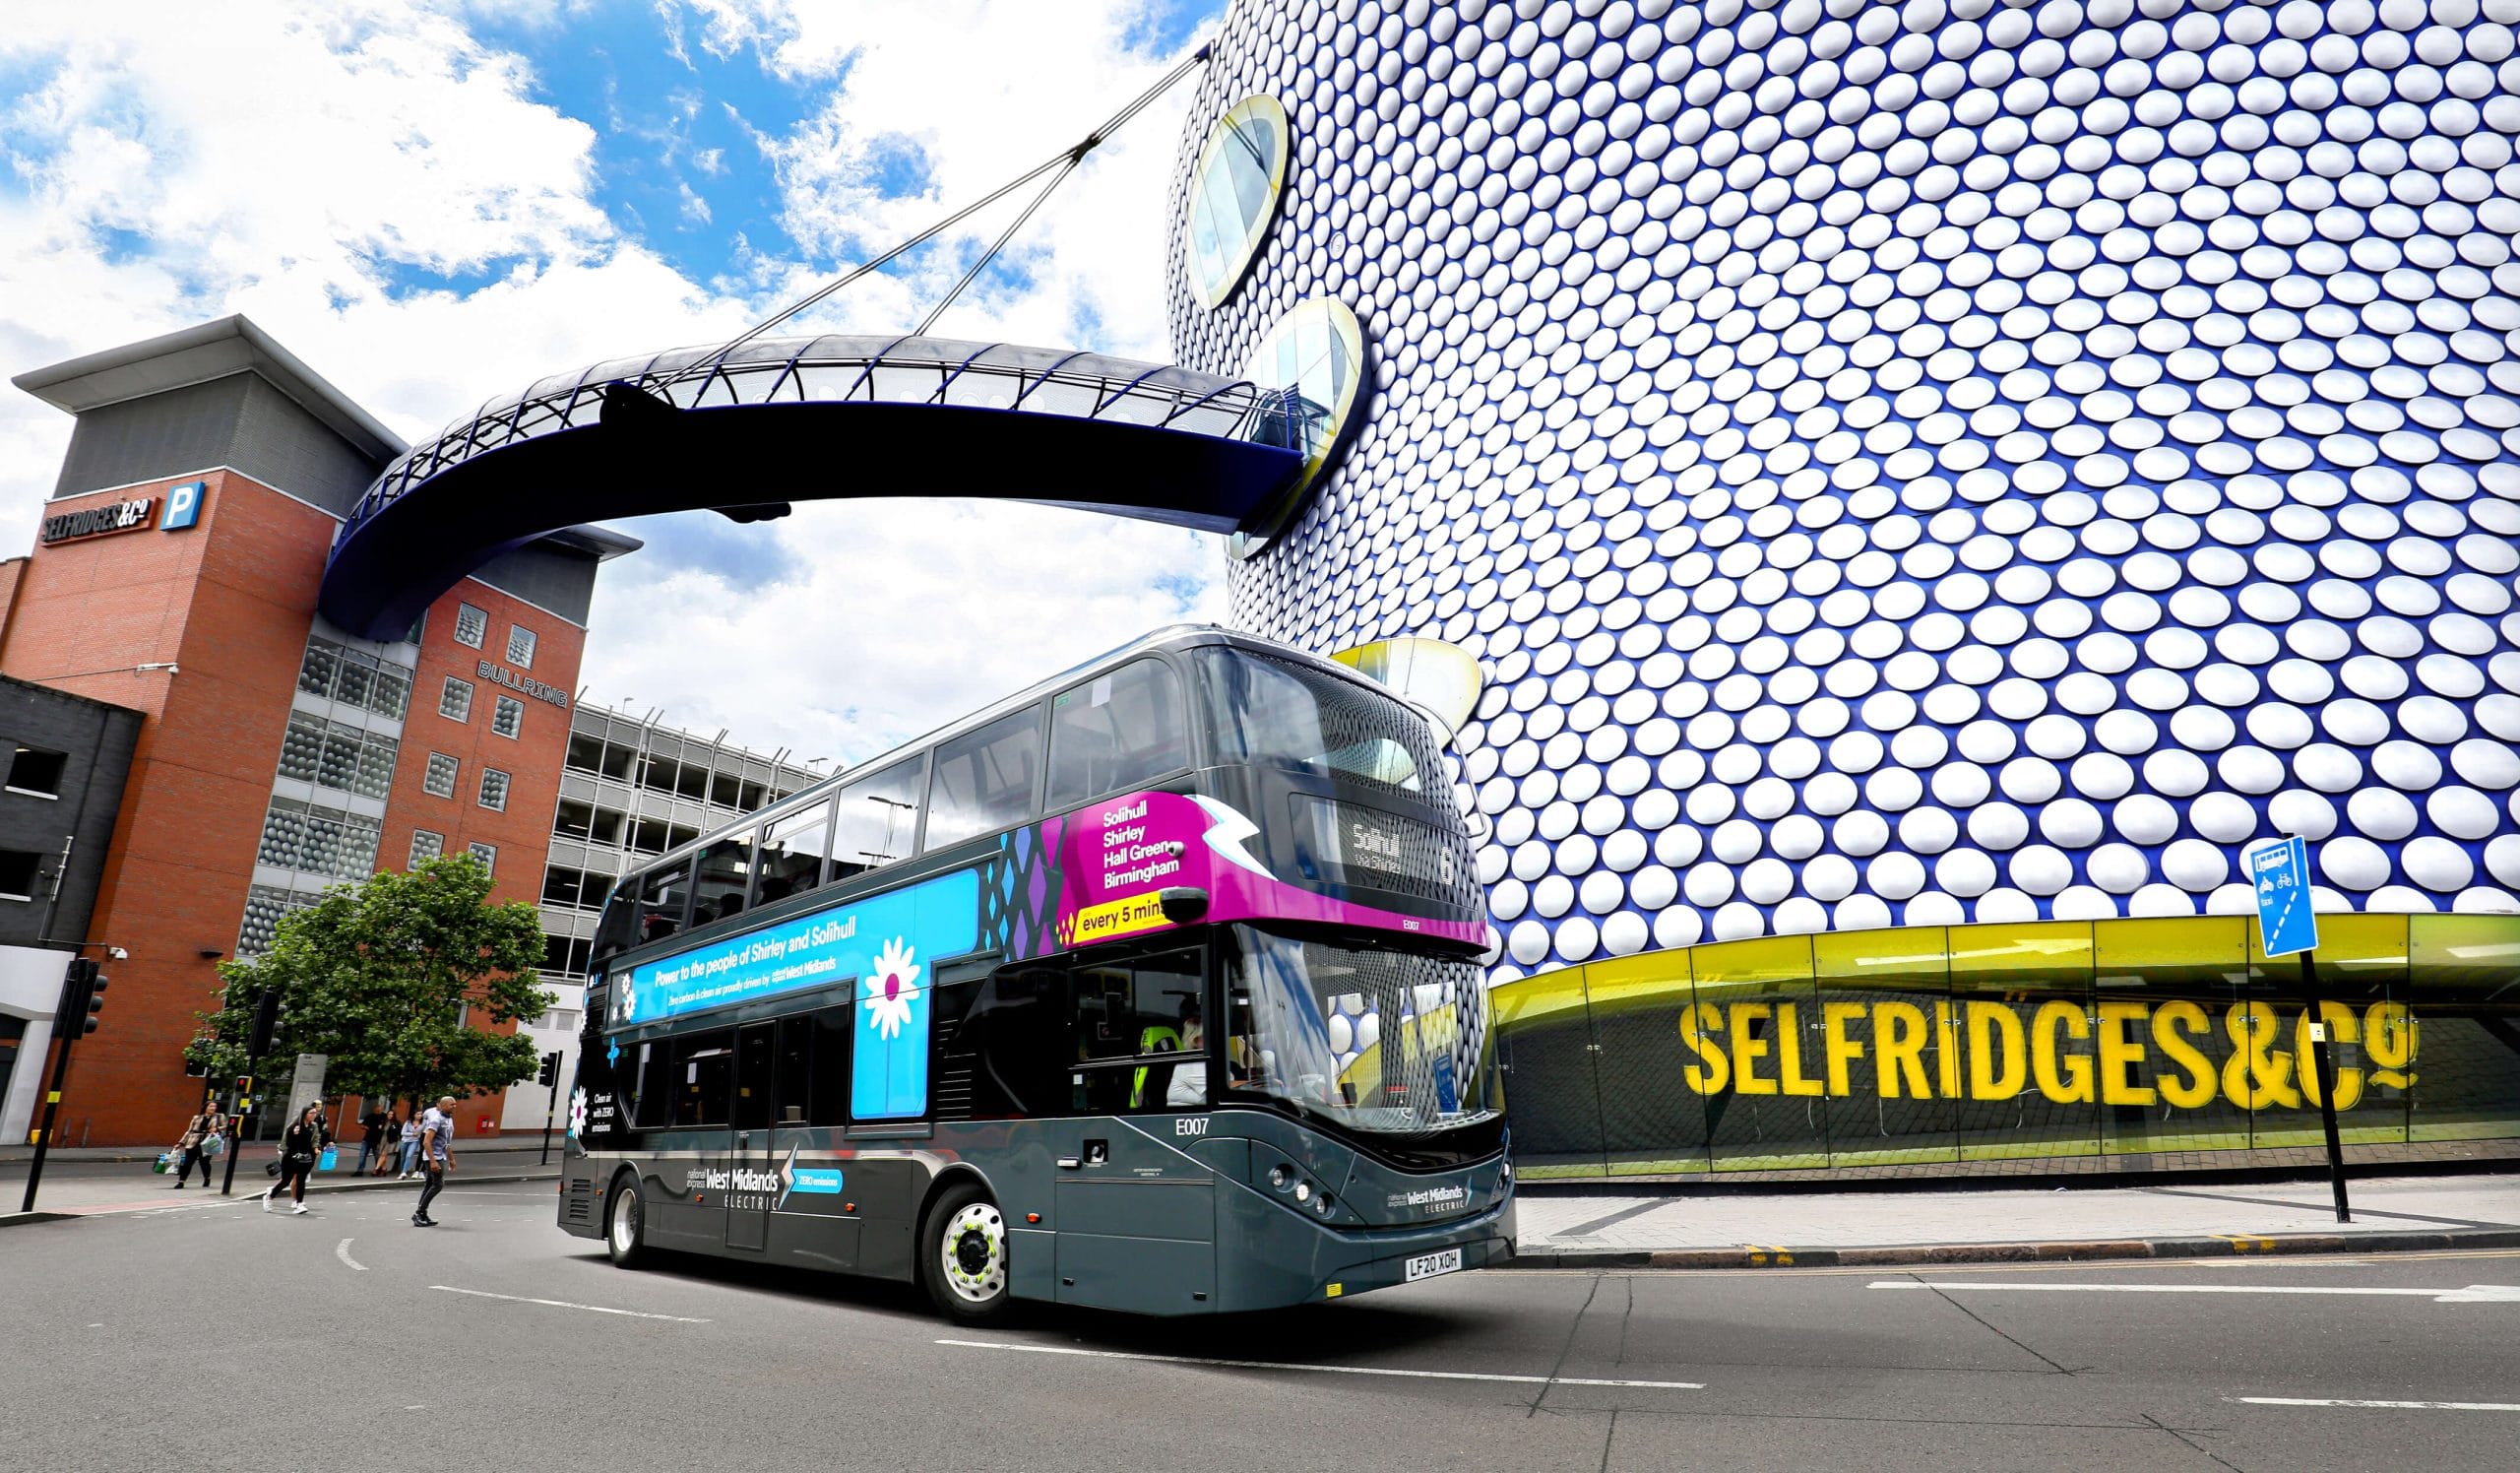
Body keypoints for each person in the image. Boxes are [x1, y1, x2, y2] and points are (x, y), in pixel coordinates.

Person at [262, 1102, 329, 1215]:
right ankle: (269, 1197)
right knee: (286, 1181)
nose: (314, 1115)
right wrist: (294, 1134)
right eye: (311, 1113)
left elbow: (316, 1138)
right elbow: (288, 1143)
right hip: (291, 1157)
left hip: (305, 1157)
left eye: (315, 1113)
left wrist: (316, 1148)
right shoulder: (294, 1126)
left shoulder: (314, 1126)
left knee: (301, 1180)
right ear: (305, 1114)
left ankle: (300, 1204)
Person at [412, 1095, 456, 1228]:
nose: (454, 1106)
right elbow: (426, 1141)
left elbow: (446, 1142)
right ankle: (419, 1213)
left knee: (429, 1185)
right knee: (438, 1184)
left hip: (441, 1156)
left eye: (455, 1104)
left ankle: (422, 1213)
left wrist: (451, 1158)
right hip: (434, 1157)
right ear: (441, 1106)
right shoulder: (436, 1120)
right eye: (451, 1104)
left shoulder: (449, 1120)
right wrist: (432, 1161)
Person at [171, 1105, 226, 1189]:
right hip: (193, 1141)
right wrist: (180, 1143)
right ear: (205, 1107)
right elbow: (189, 1131)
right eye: (211, 1106)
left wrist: (217, 1128)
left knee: (204, 1163)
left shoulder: (219, 1116)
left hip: (207, 1142)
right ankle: (181, 1182)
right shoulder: (196, 1117)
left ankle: (207, 1178)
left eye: (215, 1106)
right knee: (187, 1163)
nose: (213, 1108)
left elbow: (225, 1126)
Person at [353, 1104, 389, 1177]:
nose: (378, 1111)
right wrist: (366, 1127)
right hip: (367, 1139)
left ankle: (378, 1169)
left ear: (381, 1109)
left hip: (378, 1140)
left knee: (377, 1156)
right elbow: (362, 1125)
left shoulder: (384, 1117)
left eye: (379, 1110)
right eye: (376, 1110)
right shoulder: (369, 1116)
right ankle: (360, 1171)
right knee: (362, 1155)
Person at [396, 1106, 424, 1180]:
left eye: (421, 1114)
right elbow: (403, 1132)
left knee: (409, 1156)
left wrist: (419, 1134)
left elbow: (424, 1131)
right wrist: (412, 1134)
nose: (420, 1116)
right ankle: (402, 1172)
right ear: (414, 1115)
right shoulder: (408, 1122)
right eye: (418, 1114)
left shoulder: (423, 1123)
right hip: (405, 1141)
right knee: (403, 1157)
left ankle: (404, 1172)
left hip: (414, 1141)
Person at [375, 1110, 403, 1177]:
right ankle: (384, 1169)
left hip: (390, 1140)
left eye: (391, 1114)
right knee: (382, 1155)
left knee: (383, 1155)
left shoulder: (395, 1122)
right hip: (383, 1139)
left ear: (394, 1116)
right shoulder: (384, 1121)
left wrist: (393, 1126)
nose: (390, 1116)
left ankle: (376, 1168)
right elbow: (381, 1131)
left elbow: (396, 1130)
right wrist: (380, 1128)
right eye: (389, 1114)